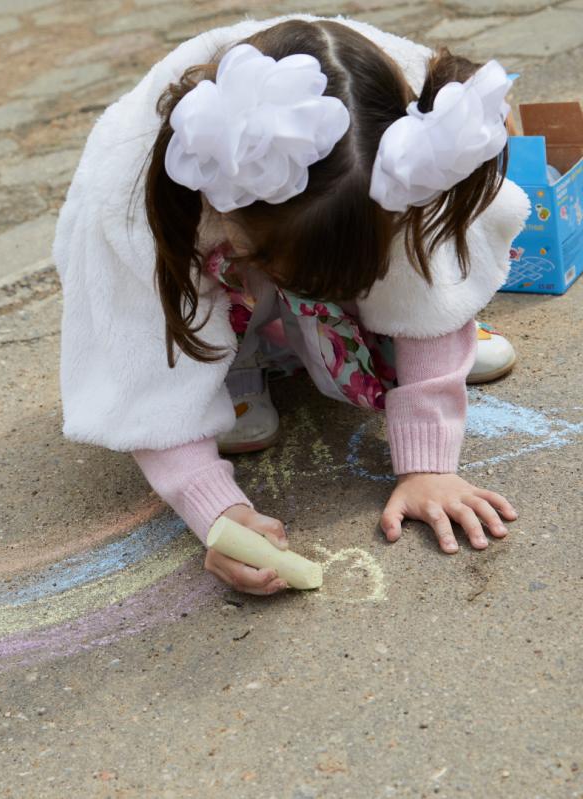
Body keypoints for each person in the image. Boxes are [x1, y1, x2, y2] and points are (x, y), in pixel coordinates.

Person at [53, 14, 531, 596]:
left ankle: (360, 330)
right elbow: (142, 361)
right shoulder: (137, 209)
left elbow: (430, 283)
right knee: (204, 329)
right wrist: (218, 513)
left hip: (297, 224)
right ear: (226, 212)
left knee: (404, 281)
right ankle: (238, 361)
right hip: (198, 247)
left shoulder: (399, 151)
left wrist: (430, 462)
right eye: (283, 272)